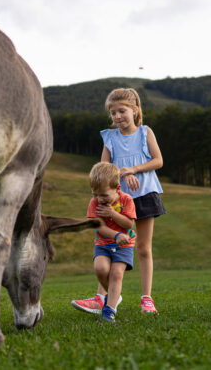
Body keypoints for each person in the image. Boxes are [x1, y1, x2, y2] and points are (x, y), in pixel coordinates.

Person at [73, 88, 166, 314]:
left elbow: (158, 161)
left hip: (145, 195)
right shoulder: (110, 137)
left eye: (122, 111)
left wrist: (133, 169)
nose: (117, 117)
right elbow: (104, 170)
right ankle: (101, 297)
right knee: (108, 245)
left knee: (143, 248)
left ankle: (146, 299)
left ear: (134, 110)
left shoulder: (145, 132)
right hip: (117, 200)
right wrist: (117, 179)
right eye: (113, 113)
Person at [71, 162, 137, 322]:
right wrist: (115, 235)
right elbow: (98, 226)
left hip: (124, 246)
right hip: (103, 244)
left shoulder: (126, 200)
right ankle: (114, 296)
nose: (99, 199)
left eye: (104, 195)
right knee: (100, 269)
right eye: (95, 194)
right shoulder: (94, 203)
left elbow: (129, 224)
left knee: (116, 274)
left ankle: (109, 310)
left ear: (117, 188)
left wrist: (112, 214)